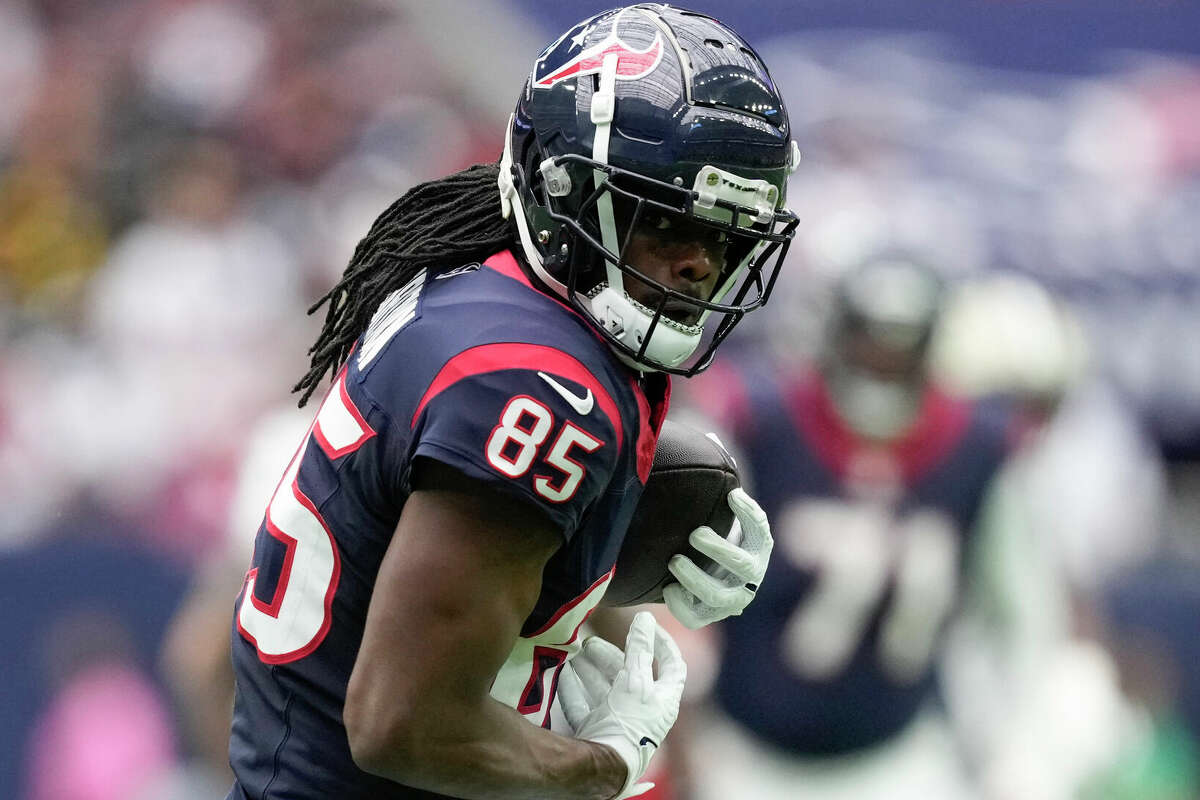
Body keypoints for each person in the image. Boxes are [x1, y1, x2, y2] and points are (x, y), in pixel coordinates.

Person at [226, 5, 798, 800]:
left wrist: (624, 550)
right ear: (561, 187)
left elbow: (434, 545)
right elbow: (405, 723)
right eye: (666, 220)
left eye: (728, 234)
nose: (700, 264)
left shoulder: (486, 279)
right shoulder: (538, 390)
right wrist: (609, 763)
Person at [677, 255, 1027, 800]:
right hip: (747, 751)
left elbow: (1018, 612)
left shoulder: (976, 450)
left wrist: (1001, 743)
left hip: (901, 754)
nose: (882, 365)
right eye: (870, 344)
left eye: (900, 352)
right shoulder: (761, 425)